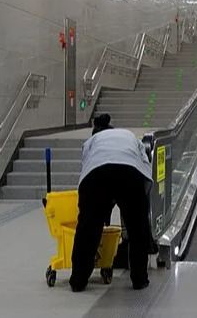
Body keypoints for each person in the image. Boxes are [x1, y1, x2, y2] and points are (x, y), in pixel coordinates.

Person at [69, 114, 153, 292]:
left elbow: (87, 167)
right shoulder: (129, 136)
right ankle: (139, 279)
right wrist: (141, 201)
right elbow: (145, 165)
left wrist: (90, 208)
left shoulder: (92, 141)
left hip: (97, 173)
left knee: (88, 227)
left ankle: (78, 280)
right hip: (129, 171)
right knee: (138, 228)